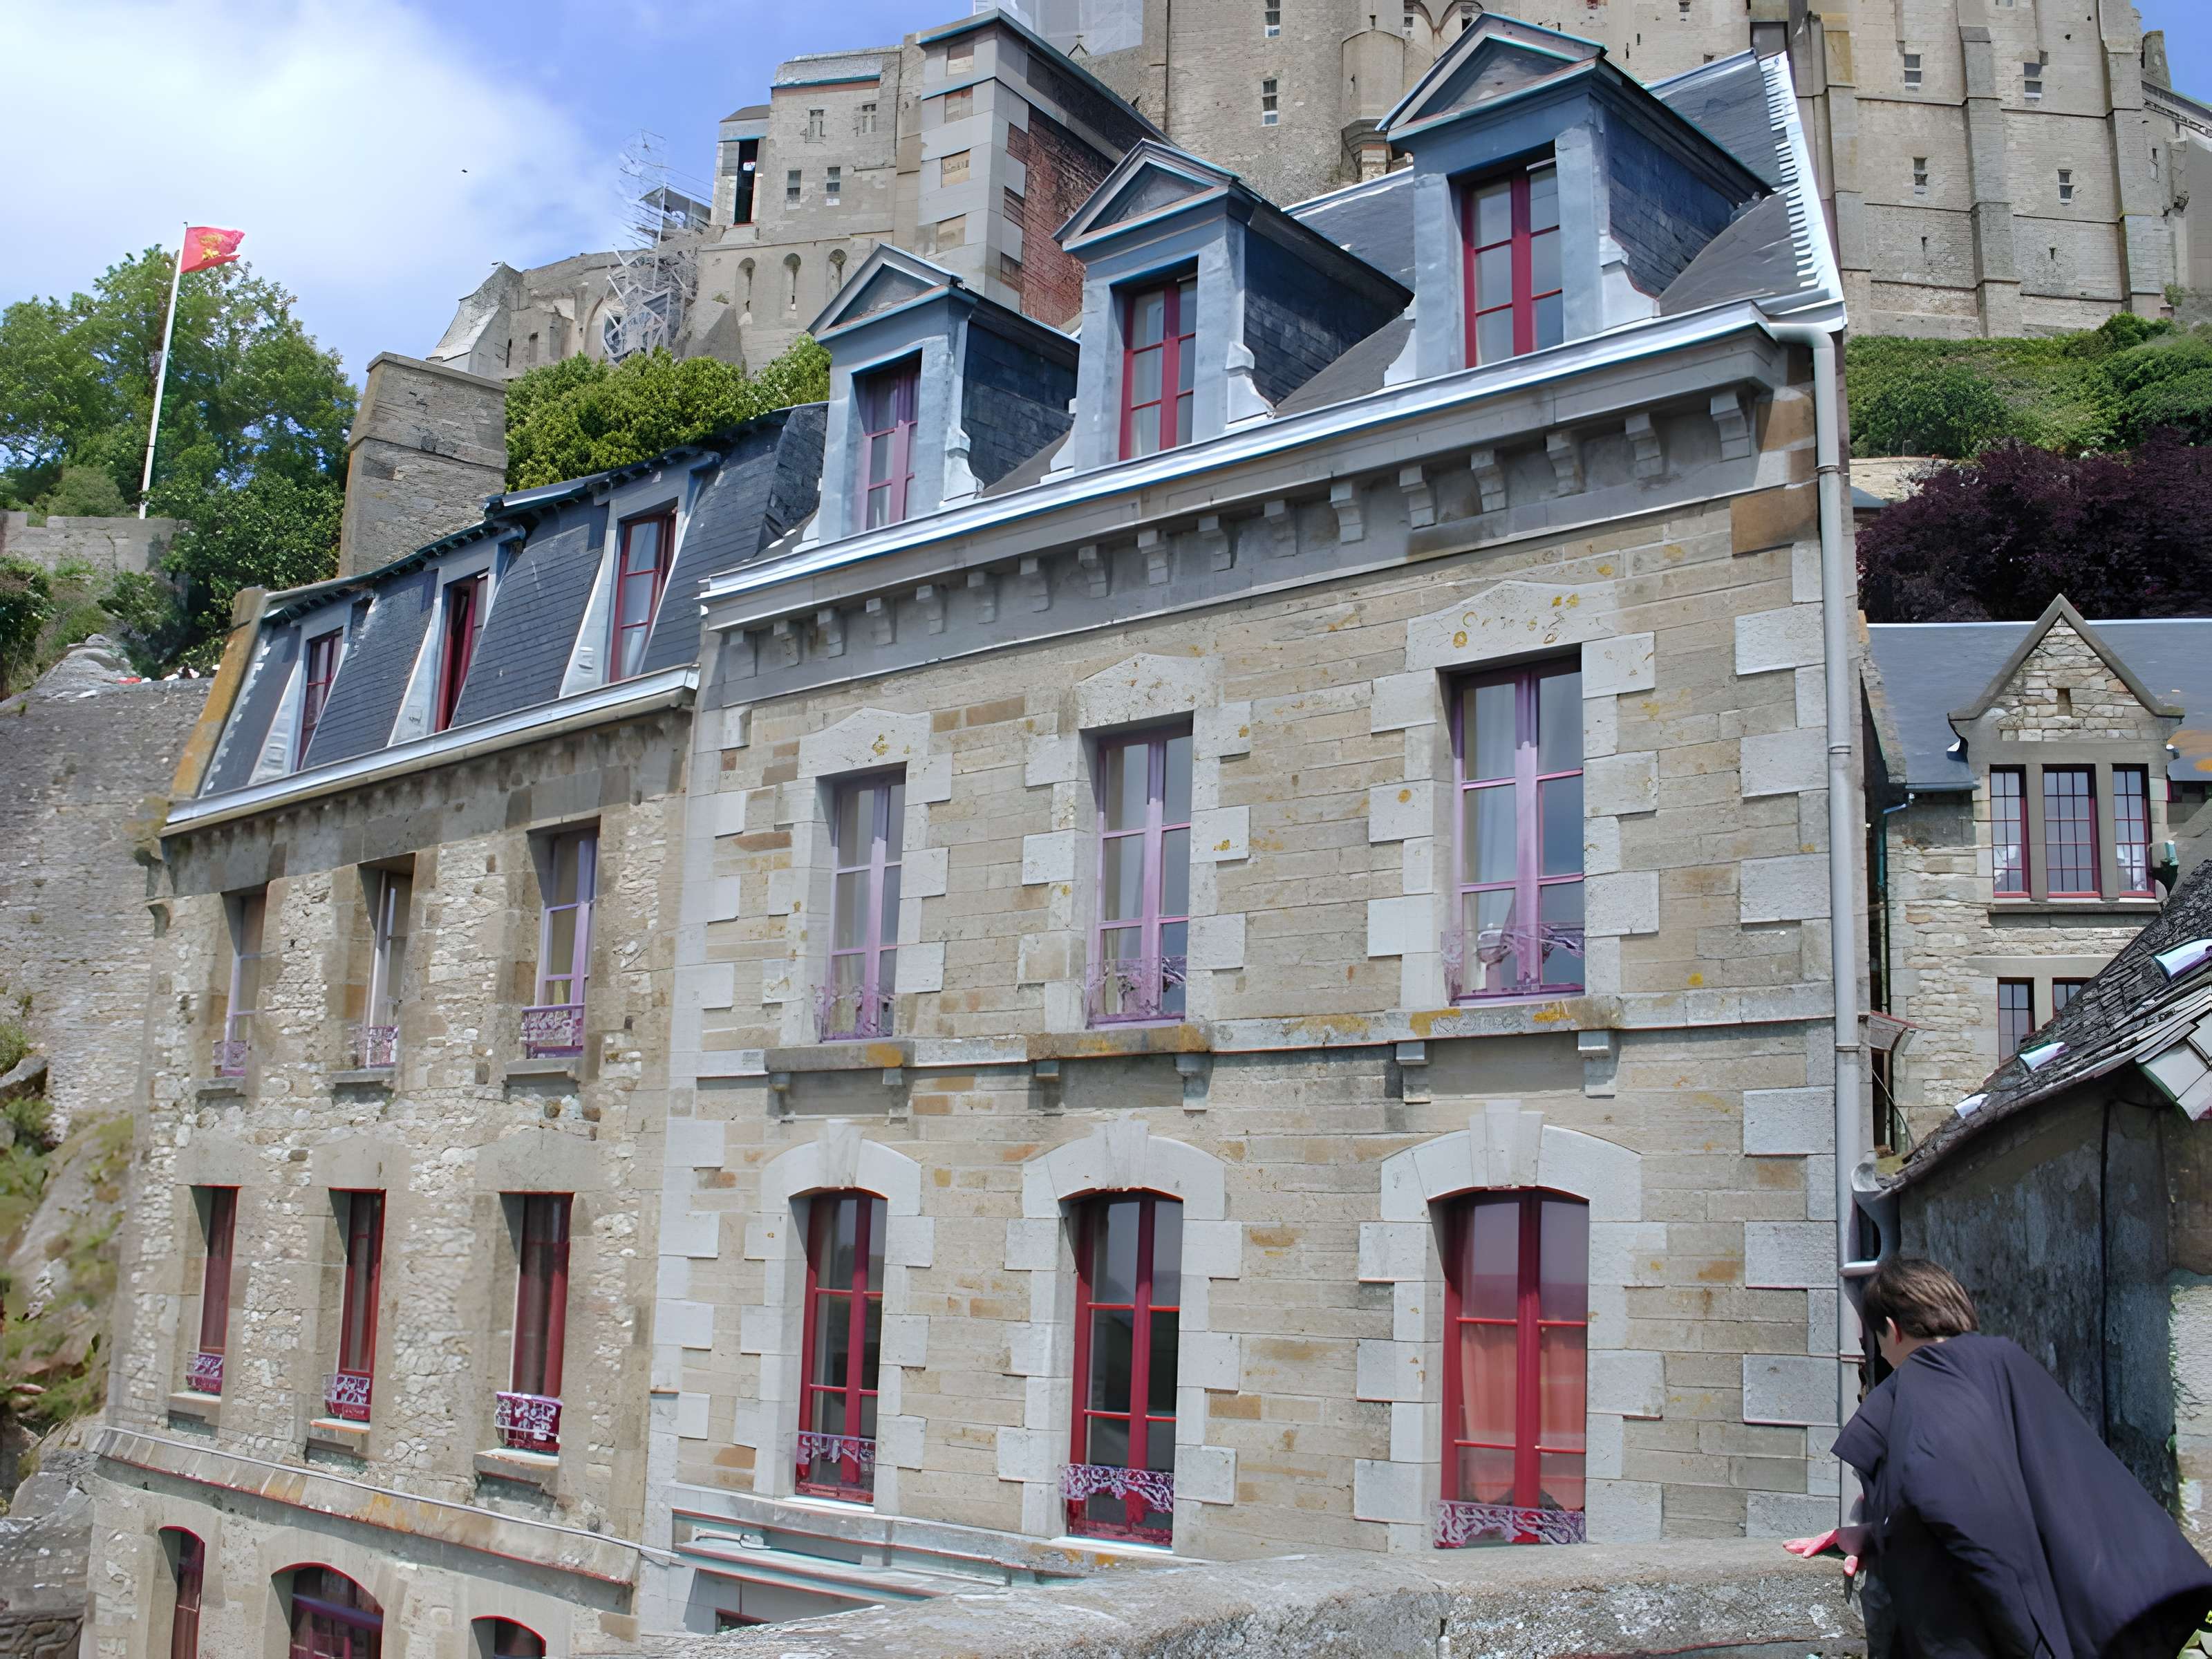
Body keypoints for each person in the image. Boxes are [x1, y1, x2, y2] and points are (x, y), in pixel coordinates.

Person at [1785, 1257, 2212, 1659]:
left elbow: (1952, 1501)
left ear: (1892, 1331)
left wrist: (1878, 1535)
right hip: (2104, 1612)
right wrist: (1875, 1533)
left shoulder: (1924, 1381)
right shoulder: (2007, 1361)